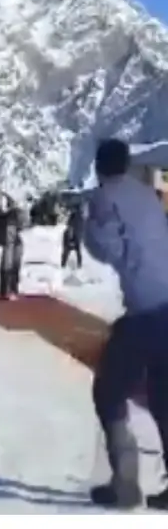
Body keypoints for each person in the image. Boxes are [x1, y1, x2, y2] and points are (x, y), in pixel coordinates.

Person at [83, 138, 168, 509]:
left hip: (146, 310)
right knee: (165, 397)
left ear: (100, 167)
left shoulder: (105, 197)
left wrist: (86, 227)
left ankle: (125, 484)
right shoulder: (147, 194)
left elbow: (107, 250)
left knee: (109, 391)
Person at [0, 215, 23, 300]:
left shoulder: (17, 241)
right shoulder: (8, 239)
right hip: (10, 245)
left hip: (15, 245)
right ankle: (7, 290)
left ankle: (12, 289)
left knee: (13, 265)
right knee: (8, 265)